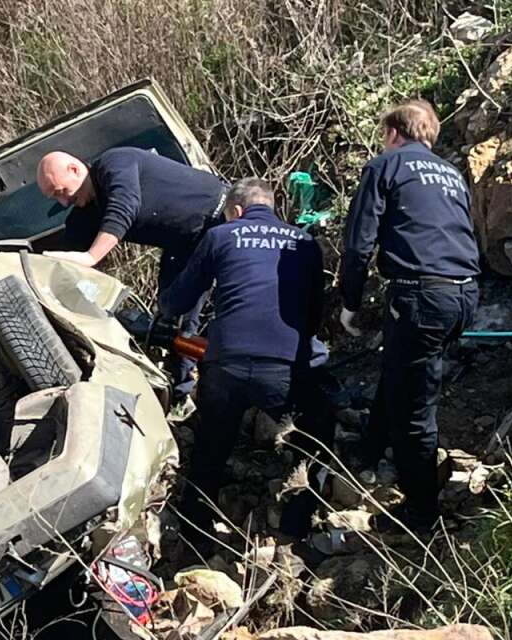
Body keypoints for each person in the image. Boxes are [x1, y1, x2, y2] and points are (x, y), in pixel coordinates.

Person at [157, 177, 333, 546]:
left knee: (211, 445)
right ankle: (296, 522)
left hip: (226, 363)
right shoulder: (304, 242)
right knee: (320, 430)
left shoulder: (221, 236)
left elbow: (179, 300)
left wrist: (166, 311)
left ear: (235, 210)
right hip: (284, 364)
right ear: (270, 206)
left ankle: (195, 534)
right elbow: (316, 313)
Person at [338, 99, 481, 532]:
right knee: (402, 370)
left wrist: (349, 301)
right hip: (464, 295)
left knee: (416, 408)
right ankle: (371, 448)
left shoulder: (387, 167)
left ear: (394, 134)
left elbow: (359, 242)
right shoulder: (452, 174)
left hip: (421, 295)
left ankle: (420, 513)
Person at [37, 148, 226, 401]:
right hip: (182, 243)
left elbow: (125, 205)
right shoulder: (86, 212)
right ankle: (185, 391)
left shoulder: (114, 163)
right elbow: (70, 267)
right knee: (170, 317)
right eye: (54, 198)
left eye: (61, 191)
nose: (62, 202)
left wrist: (91, 256)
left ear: (74, 169)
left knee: (210, 312)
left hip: (219, 220)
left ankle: (220, 377)